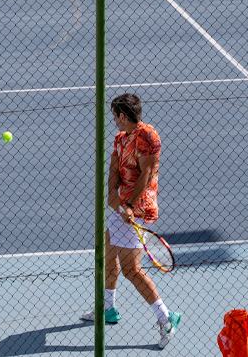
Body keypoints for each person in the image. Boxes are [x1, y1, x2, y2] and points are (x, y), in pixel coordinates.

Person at [81, 93, 182, 349]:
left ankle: (167, 318)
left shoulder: (148, 136)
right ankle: (108, 308)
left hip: (136, 211)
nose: (113, 120)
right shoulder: (120, 139)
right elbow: (113, 172)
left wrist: (128, 205)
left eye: (115, 115)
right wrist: (115, 198)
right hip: (120, 208)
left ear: (122, 116)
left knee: (131, 270)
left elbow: (147, 173)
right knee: (106, 253)